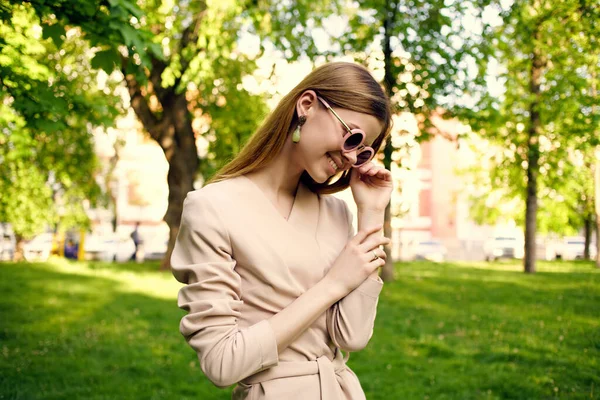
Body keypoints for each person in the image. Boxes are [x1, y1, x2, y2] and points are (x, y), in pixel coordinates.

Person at [171, 62, 393, 400]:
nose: (351, 159)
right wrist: (334, 284)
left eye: (363, 151)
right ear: (306, 106)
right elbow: (222, 362)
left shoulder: (336, 213)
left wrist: (372, 213)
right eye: (353, 137)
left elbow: (352, 338)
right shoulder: (212, 207)